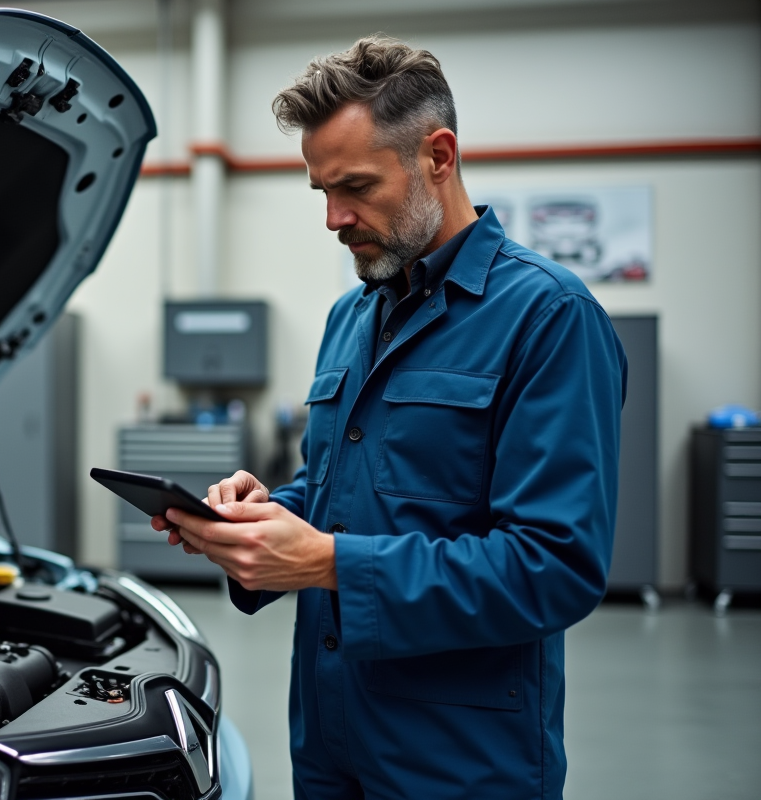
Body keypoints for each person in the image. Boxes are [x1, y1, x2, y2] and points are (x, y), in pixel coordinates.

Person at [151, 35, 627, 799]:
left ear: (438, 156)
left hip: (459, 754)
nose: (335, 218)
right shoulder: (353, 315)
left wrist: (327, 562)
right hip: (329, 738)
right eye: (320, 192)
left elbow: (555, 568)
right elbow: (334, 488)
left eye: (357, 187)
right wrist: (267, 520)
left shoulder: (548, 317)